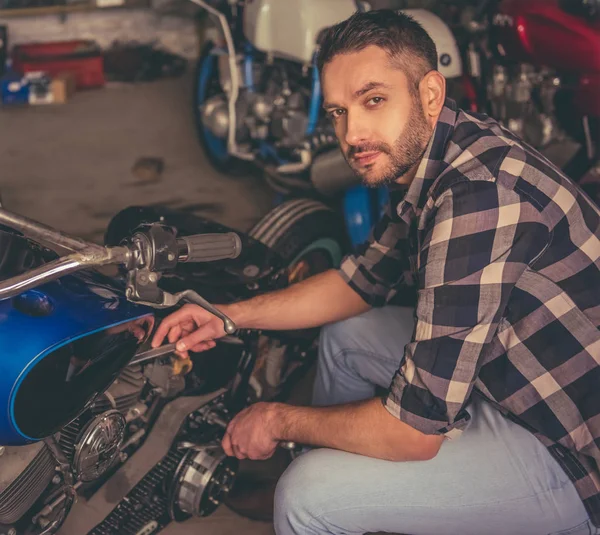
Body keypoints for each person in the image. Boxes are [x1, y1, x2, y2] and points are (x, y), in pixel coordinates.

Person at [152, 9, 600, 535]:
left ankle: (334, 499)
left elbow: (415, 430)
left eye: (374, 100)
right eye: (339, 111)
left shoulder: (480, 199)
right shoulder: (436, 151)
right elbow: (360, 280)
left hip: (568, 449)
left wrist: (275, 419)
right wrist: (227, 316)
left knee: (306, 497)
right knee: (346, 334)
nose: (353, 133)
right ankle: (367, 500)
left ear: (430, 93)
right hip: (510, 372)